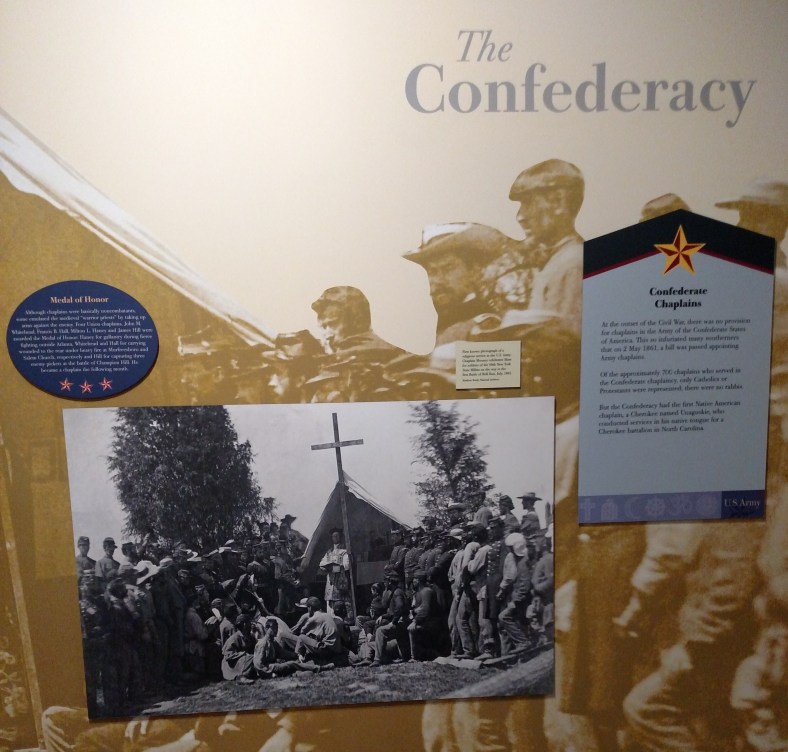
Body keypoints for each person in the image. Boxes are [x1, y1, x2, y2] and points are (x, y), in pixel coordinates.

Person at [509, 159, 586, 332]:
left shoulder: (572, 263)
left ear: (558, 202)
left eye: (528, 203)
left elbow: (564, 339)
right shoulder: (559, 258)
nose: (520, 217)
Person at [402, 223, 511, 345]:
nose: (439, 279)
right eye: (432, 271)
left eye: (448, 268)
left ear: (474, 271)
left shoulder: (487, 325)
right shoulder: (422, 323)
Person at [319, 527, 351, 616]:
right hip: (330, 582)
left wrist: (333, 569)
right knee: (329, 607)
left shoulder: (344, 551)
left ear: (340, 537)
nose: (335, 538)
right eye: (333, 536)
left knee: (338, 607)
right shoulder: (329, 552)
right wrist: (325, 568)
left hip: (339, 582)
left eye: (337, 536)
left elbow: (346, 566)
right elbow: (322, 563)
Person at [221, 613, 257, 684]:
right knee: (249, 657)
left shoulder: (250, 636)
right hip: (232, 666)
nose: (251, 625)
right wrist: (243, 654)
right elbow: (228, 656)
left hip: (245, 662)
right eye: (249, 623)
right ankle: (241, 677)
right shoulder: (234, 638)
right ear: (244, 624)